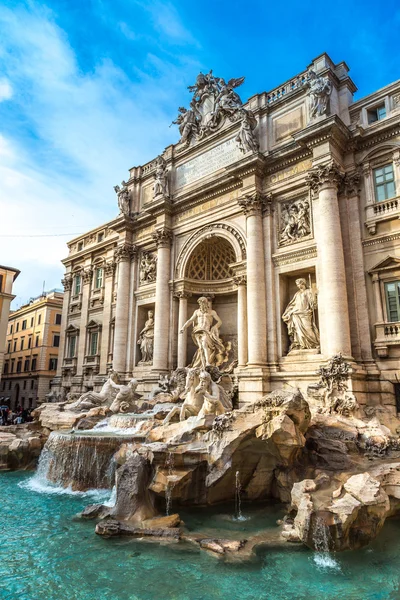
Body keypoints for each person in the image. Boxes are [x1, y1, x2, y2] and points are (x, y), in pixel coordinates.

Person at [180, 297, 230, 369]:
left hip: (206, 331)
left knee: (204, 344)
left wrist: (215, 327)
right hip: (198, 331)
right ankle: (202, 363)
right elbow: (190, 320)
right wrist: (183, 328)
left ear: (206, 303)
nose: (201, 304)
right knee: (201, 347)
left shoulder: (212, 312)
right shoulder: (197, 312)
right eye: (200, 303)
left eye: (203, 303)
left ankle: (207, 362)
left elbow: (220, 322)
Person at [282, 278, 320, 351]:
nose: (298, 286)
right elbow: (293, 304)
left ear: (303, 283)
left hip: (305, 313)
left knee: (308, 329)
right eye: (297, 284)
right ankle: (300, 344)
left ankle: (314, 344)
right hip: (296, 313)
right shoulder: (297, 293)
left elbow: (313, 303)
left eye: (299, 284)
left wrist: (313, 296)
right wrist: (289, 312)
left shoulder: (308, 291)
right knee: (298, 331)